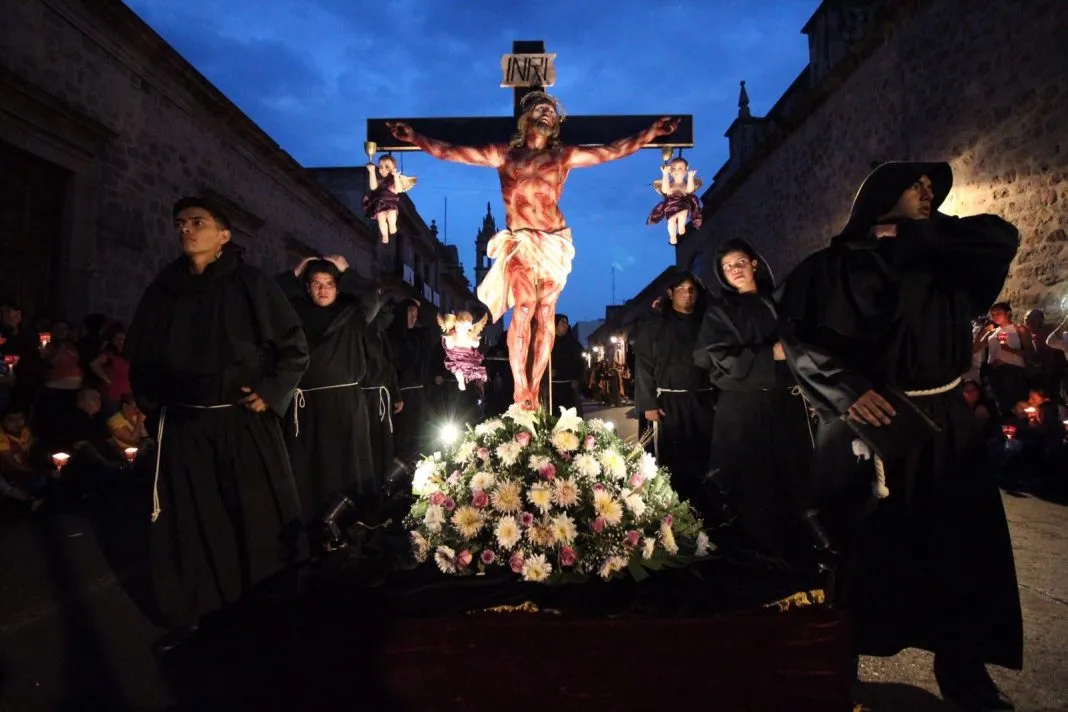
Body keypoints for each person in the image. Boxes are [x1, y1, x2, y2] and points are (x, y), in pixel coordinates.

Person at [777, 162, 1023, 709]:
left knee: (958, 551)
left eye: (932, 189)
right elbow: (800, 341)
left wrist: (917, 234)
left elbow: (1002, 237)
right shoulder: (829, 268)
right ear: (881, 196)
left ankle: (965, 673)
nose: (929, 192)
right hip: (869, 426)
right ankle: (837, 665)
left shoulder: (945, 256)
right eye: (917, 186)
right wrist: (845, 391)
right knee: (858, 550)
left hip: (944, 427)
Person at [389, 92, 678, 410]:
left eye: (552, 113)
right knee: (523, 308)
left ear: (555, 125)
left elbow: (609, 152)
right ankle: (520, 388)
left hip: (555, 244)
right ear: (526, 117)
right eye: (540, 109)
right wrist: (414, 137)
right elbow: (452, 152)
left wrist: (650, 134)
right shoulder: (505, 155)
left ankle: (534, 389)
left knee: (545, 315)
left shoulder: (562, 157)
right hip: (523, 242)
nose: (546, 115)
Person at [126, 196, 309, 655]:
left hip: (241, 422)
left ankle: (262, 613)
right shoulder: (163, 288)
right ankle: (192, 615)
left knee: (252, 518)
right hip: (186, 426)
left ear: (224, 235)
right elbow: (143, 358)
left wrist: (270, 391)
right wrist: (155, 405)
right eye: (180, 223)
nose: (186, 230)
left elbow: (293, 349)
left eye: (198, 223)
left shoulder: (251, 284)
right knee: (190, 522)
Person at [695, 239, 813, 558]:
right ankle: (752, 549)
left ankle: (792, 546)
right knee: (747, 480)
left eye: (740, 262)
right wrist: (767, 355)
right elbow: (717, 358)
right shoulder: (720, 312)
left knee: (788, 473)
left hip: (783, 404)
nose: (736, 269)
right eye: (728, 267)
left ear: (754, 264)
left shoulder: (776, 303)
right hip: (742, 409)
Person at [275, 256, 380, 528]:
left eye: (329, 283)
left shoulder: (353, 315)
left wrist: (348, 270)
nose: (322, 290)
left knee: (349, 468)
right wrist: (294, 271)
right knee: (311, 471)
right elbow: (269, 300)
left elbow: (374, 295)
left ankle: (352, 527)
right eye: (316, 283)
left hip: (346, 407)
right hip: (307, 408)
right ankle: (312, 527)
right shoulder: (294, 315)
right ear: (307, 287)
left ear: (338, 287)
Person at [633, 271, 715, 515]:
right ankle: (673, 517)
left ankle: (705, 514)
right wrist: (648, 404)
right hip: (667, 403)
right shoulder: (655, 325)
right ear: (670, 293)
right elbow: (644, 364)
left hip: (703, 400)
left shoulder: (707, 323)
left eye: (692, 289)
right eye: (681, 289)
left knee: (704, 457)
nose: (687, 294)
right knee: (671, 461)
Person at [647, 156, 703, 245]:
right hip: (670, 205)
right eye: (673, 168)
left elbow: (689, 190)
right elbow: (665, 190)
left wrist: (691, 177)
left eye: (680, 168)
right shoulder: (670, 184)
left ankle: (681, 226)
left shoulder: (685, 184)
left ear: (686, 170)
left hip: (682, 202)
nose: (677, 170)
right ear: (670, 171)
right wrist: (665, 174)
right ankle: (672, 235)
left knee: (683, 212)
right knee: (671, 221)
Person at [363, 155, 416, 244]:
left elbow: (398, 189)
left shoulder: (393, 181)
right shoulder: (379, 181)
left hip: (391, 203)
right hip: (380, 204)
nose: (383, 169)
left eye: (387, 167)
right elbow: (373, 187)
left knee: (391, 215)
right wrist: (371, 172)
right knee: (381, 219)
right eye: (380, 167)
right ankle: (384, 235)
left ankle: (392, 226)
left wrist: (396, 176)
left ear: (393, 169)